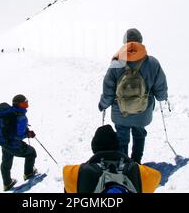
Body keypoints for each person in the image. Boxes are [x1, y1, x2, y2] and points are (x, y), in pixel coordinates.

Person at [98, 28, 168, 164]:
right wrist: (161, 97)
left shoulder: (116, 63)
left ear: (124, 43)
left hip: (120, 112)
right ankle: (136, 162)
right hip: (143, 112)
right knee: (139, 134)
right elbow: (160, 86)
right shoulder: (152, 63)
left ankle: (123, 165)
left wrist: (103, 104)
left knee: (122, 138)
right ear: (140, 42)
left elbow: (108, 89)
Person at [63, 125, 161, 193]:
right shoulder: (137, 171)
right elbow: (156, 176)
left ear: (94, 148)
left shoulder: (76, 173)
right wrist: (131, 163)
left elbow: (65, 173)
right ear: (117, 146)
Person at [0, 94, 37, 191]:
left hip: (4, 141)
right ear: (20, 104)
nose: (27, 105)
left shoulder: (10, 113)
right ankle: (29, 173)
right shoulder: (20, 117)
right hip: (12, 143)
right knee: (31, 152)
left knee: (6, 162)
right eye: (25, 103)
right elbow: (18, 135)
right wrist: (28, 134)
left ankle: (7, 183)